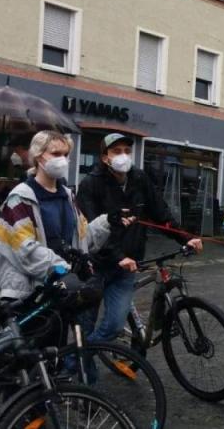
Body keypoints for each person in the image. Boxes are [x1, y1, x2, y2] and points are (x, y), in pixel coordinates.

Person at [76, 133, 201, 344]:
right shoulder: (90, 184)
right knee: (86, 325)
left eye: (126, 151)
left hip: (128, 266)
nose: (123, 156)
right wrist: (117, 256)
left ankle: (83, 357)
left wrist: (185, 238)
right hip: (94, 267)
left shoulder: (139, 178)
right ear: (105, 157)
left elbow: (161, 214)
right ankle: (79, 367)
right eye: (116, 151)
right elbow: (88, 231)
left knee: (114, 325)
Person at [0, 131, 110, 302]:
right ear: (38, 156)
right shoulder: (20, 198)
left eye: (65, 154)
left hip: (59, 289)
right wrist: (64, 269)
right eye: (55, 154)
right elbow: (25, 249)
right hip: (27, 295)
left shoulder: (68, 196)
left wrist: (108, 222)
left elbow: (82, 238)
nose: (62, 159)